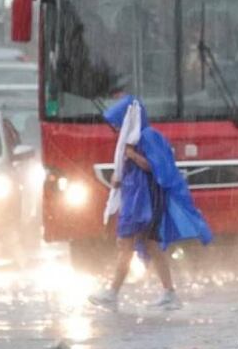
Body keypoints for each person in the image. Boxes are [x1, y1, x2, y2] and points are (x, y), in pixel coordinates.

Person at [88, 96, 212, 311]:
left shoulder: (147, 137)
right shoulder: (131, 140)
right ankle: (168, 293)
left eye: (118, 123)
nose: (116, 128)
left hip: (145, 202)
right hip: (135, 200)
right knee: (149, 245)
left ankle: (113, 293)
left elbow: (155, 167)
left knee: (127, 244)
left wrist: (132, 155)